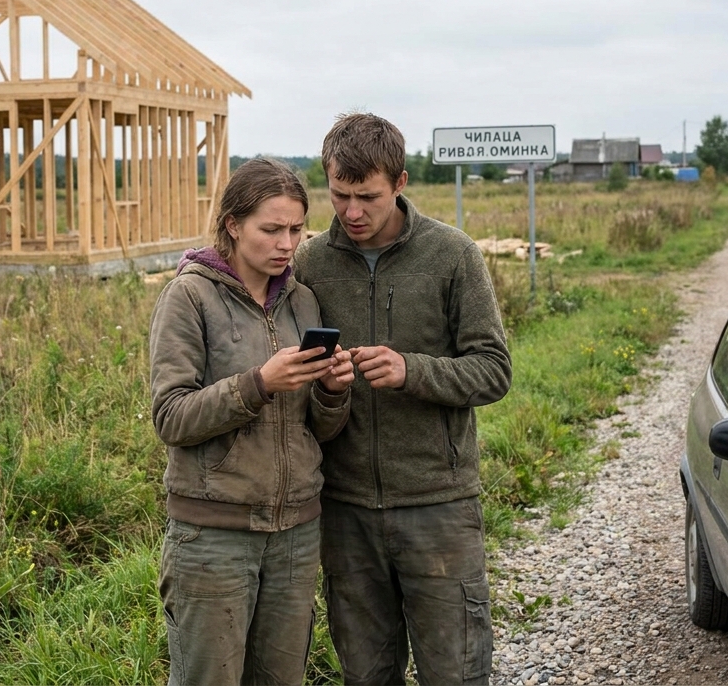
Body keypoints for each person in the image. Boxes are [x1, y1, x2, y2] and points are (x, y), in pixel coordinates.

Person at [293, 113, 513, 686]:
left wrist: (409, 370)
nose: (352, 212)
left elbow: (493, 371)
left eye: (367, 196)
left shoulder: (453, 255)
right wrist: (328, 385)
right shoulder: (309, 263)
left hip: (438, 505)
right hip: (345, 510)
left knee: (456, 671)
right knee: (365, 674)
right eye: (339, 195)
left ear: (401, 182)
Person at [149, 157, 355, 686]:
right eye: (271, 229)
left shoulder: (304, 303)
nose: (287, 244)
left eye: (295, 229)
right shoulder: (189, 296)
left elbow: (319, 431)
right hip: (213, 536)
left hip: (295, 534)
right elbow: (171, 417)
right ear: (233, 224)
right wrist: (258, 383)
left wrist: (332, 392)